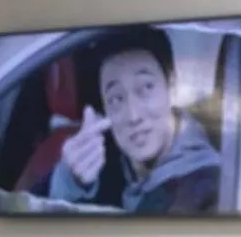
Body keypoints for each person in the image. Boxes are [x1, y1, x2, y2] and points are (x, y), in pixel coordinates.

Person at [49, 24, 222, 215]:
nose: (133, 116)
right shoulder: (100, 157)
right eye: (116, 98)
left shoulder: (206, 188)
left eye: (146, 88)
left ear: (171, 86)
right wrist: (71, 182)